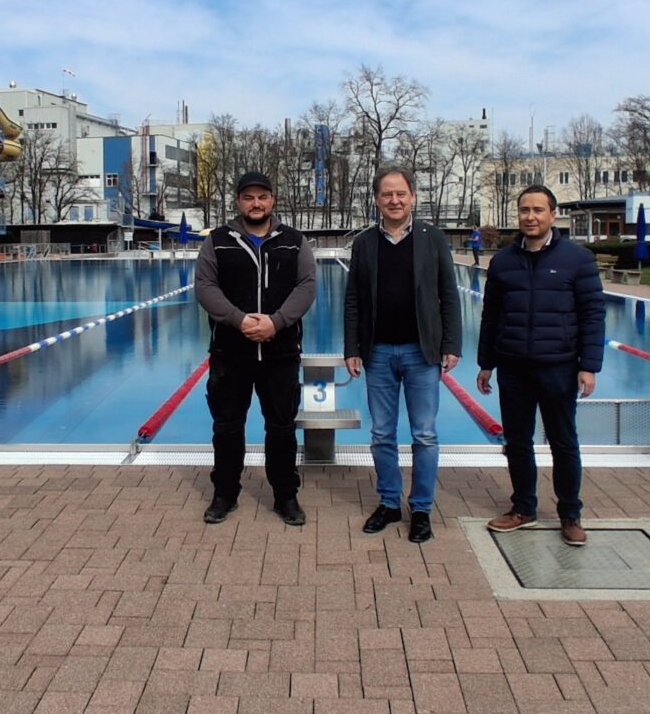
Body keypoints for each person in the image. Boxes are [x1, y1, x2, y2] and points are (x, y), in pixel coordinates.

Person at [475, 185, 606, 546]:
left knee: (564, 442)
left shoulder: (576, 259)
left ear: (552, 214)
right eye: (524, 210)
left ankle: (570, 513)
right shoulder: (503, 261)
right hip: (513, 367)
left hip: (559, 367)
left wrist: (588, 365)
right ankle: (523, 508)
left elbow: (593, 314)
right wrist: (486, 362)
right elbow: (490, 316)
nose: (530, 217)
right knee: (517, 442)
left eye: (537, 210)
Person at [343, 167, 462, 544]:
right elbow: (353, 300)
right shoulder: (364, 243)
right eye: (387, 194)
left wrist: (452, 344)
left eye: (401, 194)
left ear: (412, 197)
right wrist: (352, 348)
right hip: (377, 351)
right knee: (381, 433)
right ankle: (390, 503)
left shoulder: (432, 238)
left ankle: (422, 508)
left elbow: (449, 293)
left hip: (421, 351)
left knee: (424, 434)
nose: (394, 200)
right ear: (377, 199)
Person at [196, 171, 318, 526]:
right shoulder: (218, 240)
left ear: (272, 200)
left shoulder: (294, 241)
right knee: (227, 427)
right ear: (238, 202)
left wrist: (275, 322)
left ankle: (285, 495)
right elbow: (205, 287)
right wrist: (239, 319)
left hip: (280, 354)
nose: (256, 203)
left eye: (262, 197)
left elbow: (306, 286)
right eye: (248, 197)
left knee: (281, 427)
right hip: (230, 353)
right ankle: (224, 494)